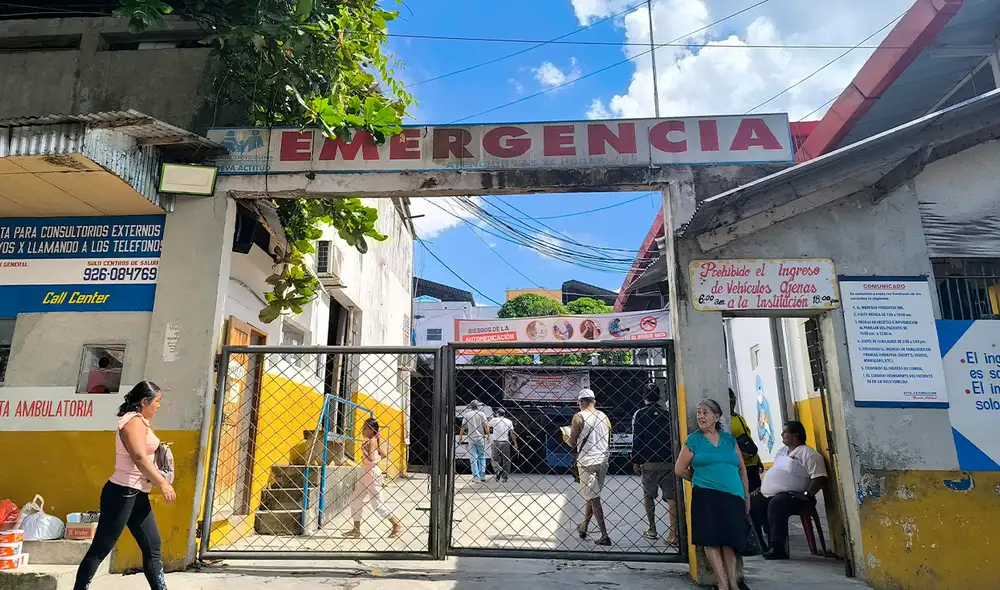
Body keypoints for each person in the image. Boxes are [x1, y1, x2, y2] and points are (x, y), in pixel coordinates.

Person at [74, 381, 176, 590]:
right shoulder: (133, 421)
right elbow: (138, 457)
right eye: (157, 401)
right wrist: (163, 483)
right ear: (144, 401)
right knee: (100, 549)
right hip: (122, 493)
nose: (158, 406)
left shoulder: (141, 422)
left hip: (138, 494)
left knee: (152, 546)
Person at [675, 399, 751, 590]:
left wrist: (746, 497)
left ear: (716, 417)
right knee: (710, 539)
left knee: (730, 540)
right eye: (699, 413)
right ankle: (722, 582)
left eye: (705, 413)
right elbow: (679, 469)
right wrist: (700, 478)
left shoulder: (729, 440)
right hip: (705, 495)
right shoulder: (694, 440)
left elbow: (742, 470)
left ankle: (733, 582)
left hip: (733, 495)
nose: (701, 416)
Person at [751, 421, 828, 560]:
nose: (782, 434)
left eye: (785, 432)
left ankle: (778, 548)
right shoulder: (782, 452)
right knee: (752, 503)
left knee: (777, 504)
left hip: (798, 498)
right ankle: (759, 544)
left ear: (795, 436)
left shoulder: (808, 453)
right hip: (774, 495)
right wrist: (762, 488)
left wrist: (807, 494)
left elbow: (819, 476)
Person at [631, 383, 677, 545]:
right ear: (659, 396)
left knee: (648, 495)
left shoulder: (639, 414)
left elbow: (637, 437)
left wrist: (636, 460)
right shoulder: (667, 414)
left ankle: (652, 528)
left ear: (643, 397)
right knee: (672, 497)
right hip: (668, 460)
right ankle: (673, 533)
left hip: (648, 461)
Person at [344, 418, 404, 539]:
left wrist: (365, 451)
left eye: (365, 428)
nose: (362, 430)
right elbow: (383, 455)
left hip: (371, 474)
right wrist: (372, 456)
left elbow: (371, 459)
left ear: (371, 430)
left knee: (377, 504)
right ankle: (356, 529)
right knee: (355, 499)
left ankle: (396, 525)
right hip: (366, 473)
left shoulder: (371, 441)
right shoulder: (374, 440)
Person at [568, 388, 612, 547]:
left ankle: (604, 535)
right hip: (603, 461)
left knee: (594, 498)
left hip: (587, 462)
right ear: (594, 401)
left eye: (579, 402)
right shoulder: (604, 417)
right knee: (592, 495)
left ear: (582, 402)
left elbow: (572, 442)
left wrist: (566, 436)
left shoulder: (578, 417)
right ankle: (584, 528)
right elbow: (609, 437)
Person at [730, 388, 764, 546]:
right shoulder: (725, 422)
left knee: (757, 501)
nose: (732, 401)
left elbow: (748, 441)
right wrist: (741, 456)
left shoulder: (739, 418)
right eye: (728, 398)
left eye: (733, 397)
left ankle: (760, 534)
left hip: (752, 465)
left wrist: (758, 459)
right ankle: (753, 538)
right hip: (740, 468)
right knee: (746, 503)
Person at [459, 401, 489, 483]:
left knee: (473, 458)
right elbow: (486, 425)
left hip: (471, 438)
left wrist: (461, 437)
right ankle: (482, 476)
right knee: (482, 457)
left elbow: (463, 426)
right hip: (480, 438)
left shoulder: (467, 415)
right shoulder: (481, 414)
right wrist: (488, 435)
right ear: (478, 406)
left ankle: (476, 477)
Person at [487, 408, 518, 483]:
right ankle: (505, 477)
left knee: (494, 459)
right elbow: (512, 433)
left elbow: (488, 427)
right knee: (506, 460)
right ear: (504, 414)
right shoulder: (508, 421)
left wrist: (489, 435)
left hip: (496, 442)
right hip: (505, 442)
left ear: (497, 414)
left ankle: (498, 470)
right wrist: (515, 444)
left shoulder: (494, 420)